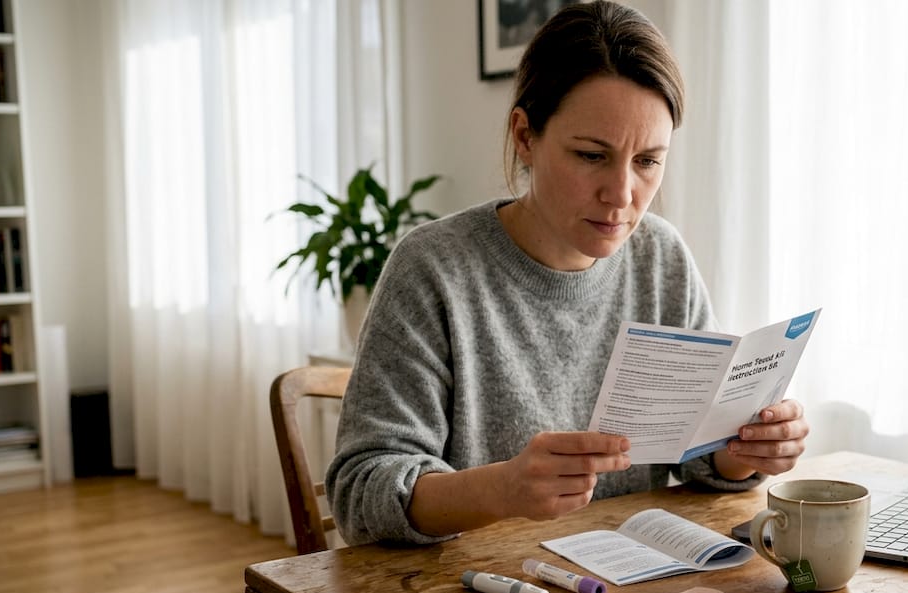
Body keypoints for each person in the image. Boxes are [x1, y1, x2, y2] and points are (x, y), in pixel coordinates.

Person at [327, 0, 809, 546]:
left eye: (648, 160)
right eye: (590, 155)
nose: (623, 194)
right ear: (525, 136)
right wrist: (502, 489)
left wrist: (744, 452)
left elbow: (698, 460)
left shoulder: (662, 260)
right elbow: (359, 492)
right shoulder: (433, 271)